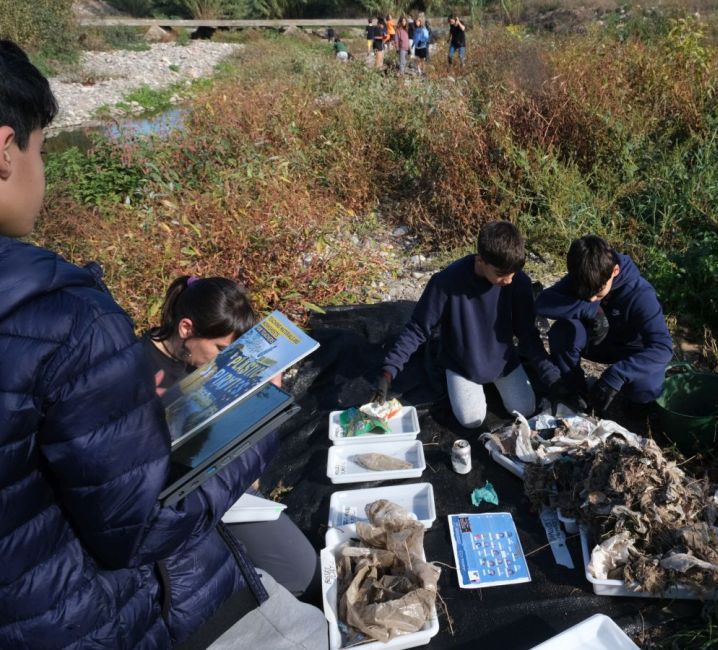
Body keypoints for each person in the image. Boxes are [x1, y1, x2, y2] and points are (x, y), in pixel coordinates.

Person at [0, 40, 325, 649]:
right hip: (103, 614)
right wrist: (260, 416)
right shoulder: (64, 317)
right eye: (40, 149)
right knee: (307, 627)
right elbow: (139, 525)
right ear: (4, 150)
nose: (41, 171)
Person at [144, 275, 324, 602]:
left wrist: (265, 400)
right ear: (186, 329)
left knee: (308, 573)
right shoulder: (136, 369)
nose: (224, 360)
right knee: (288, 580)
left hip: (228, 486)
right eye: (220, 349)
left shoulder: (205, 358)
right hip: (174, 503)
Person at [374, 221, 562, 429]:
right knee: (472, 419)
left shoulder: (518, 282)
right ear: (481, 259)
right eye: (501, 274)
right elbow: (417, 328)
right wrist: (388, 371)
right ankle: (454, 377)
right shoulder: (447, 282)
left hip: (502, 360)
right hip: (463, 364)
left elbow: (528, 335)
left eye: (513, 274)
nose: (508, 280)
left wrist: (553, 378)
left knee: (525, 409)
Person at [536, 235, 674, 417]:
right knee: (562, 332)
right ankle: (577, 393)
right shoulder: (583, 274)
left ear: (615, 271)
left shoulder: (640, 294)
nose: (592, 298)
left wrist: (618, 374)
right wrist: (589, 309)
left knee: (646, 389)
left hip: (631, 351)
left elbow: (663, 348)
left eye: (598, 293)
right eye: (586, 293)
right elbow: (542, 303)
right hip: (596, 342)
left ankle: (635, 404)